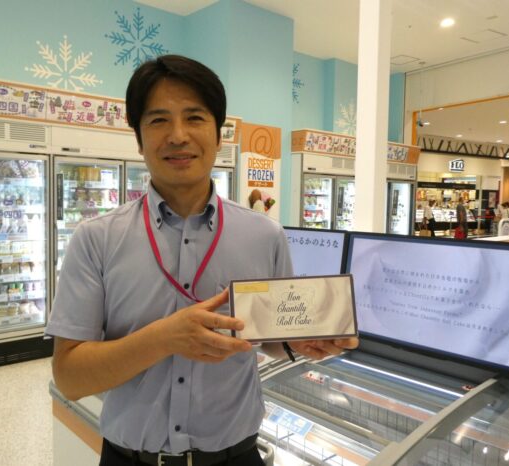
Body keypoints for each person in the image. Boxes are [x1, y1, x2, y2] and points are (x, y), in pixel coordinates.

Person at [46, 55, 359, 466]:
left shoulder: (265, 235)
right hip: (130, 458)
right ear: (138, 138)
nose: (178, 135)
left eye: (194, 118)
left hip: (235, 458)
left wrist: (297, 341)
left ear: (219, 134)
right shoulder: (95, 239)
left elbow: (269, 335)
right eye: (159, 120)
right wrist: (163, 338)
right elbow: (69, 377)